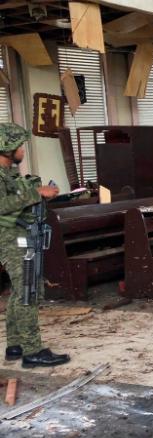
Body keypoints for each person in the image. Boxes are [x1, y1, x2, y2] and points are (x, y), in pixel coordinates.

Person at [0, 123, 70, 368]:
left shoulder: (8, 173)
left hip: (19, 234)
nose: (22, 150)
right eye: (19, 145)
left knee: (20, 291)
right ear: (8, 147)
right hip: (9, 238)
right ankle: (33, 352)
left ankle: (15, 345)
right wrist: (36, 192)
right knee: (27, 291)